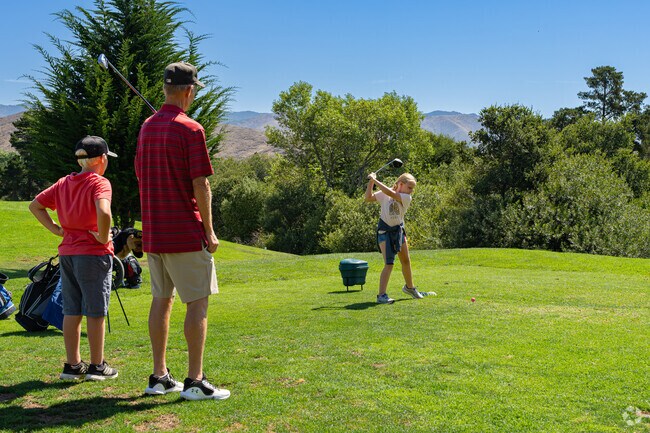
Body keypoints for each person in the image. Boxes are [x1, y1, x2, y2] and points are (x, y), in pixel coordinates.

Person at [135, 62, 230, 400]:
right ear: (189, 91)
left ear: (165, 89)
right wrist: (210, 230)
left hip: (156, 234)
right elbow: (201, 184)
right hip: (184, 232)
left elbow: (141, 176)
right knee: (197, 304)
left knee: (161, 301)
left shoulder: (147, 127)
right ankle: (195, 381)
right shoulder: (191, 129)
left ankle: (159, 377)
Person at [29, 135, 119, 380]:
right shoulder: (100, 183)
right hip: (93, 255)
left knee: (71, 310)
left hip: (67, 253)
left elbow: (35, 205)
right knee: (96, 311)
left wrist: (56, 229)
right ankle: (97, 366)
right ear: (101, 159)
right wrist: (102, 236)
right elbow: (104, 210)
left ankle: (72, 365)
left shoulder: (63, 183)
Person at [365, 171, 421, 304]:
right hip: (384, 232)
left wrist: (375, 180)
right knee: (389, 263)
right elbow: (368, 198)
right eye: (409, 188)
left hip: (398, 231)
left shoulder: (406, 197)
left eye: (412, 188)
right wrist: (371, 182)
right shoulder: (385, 192)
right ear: (400, 184)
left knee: (406, 261)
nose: (411, 191)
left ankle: (410, 288)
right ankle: (381, 295)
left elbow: (391, 194)